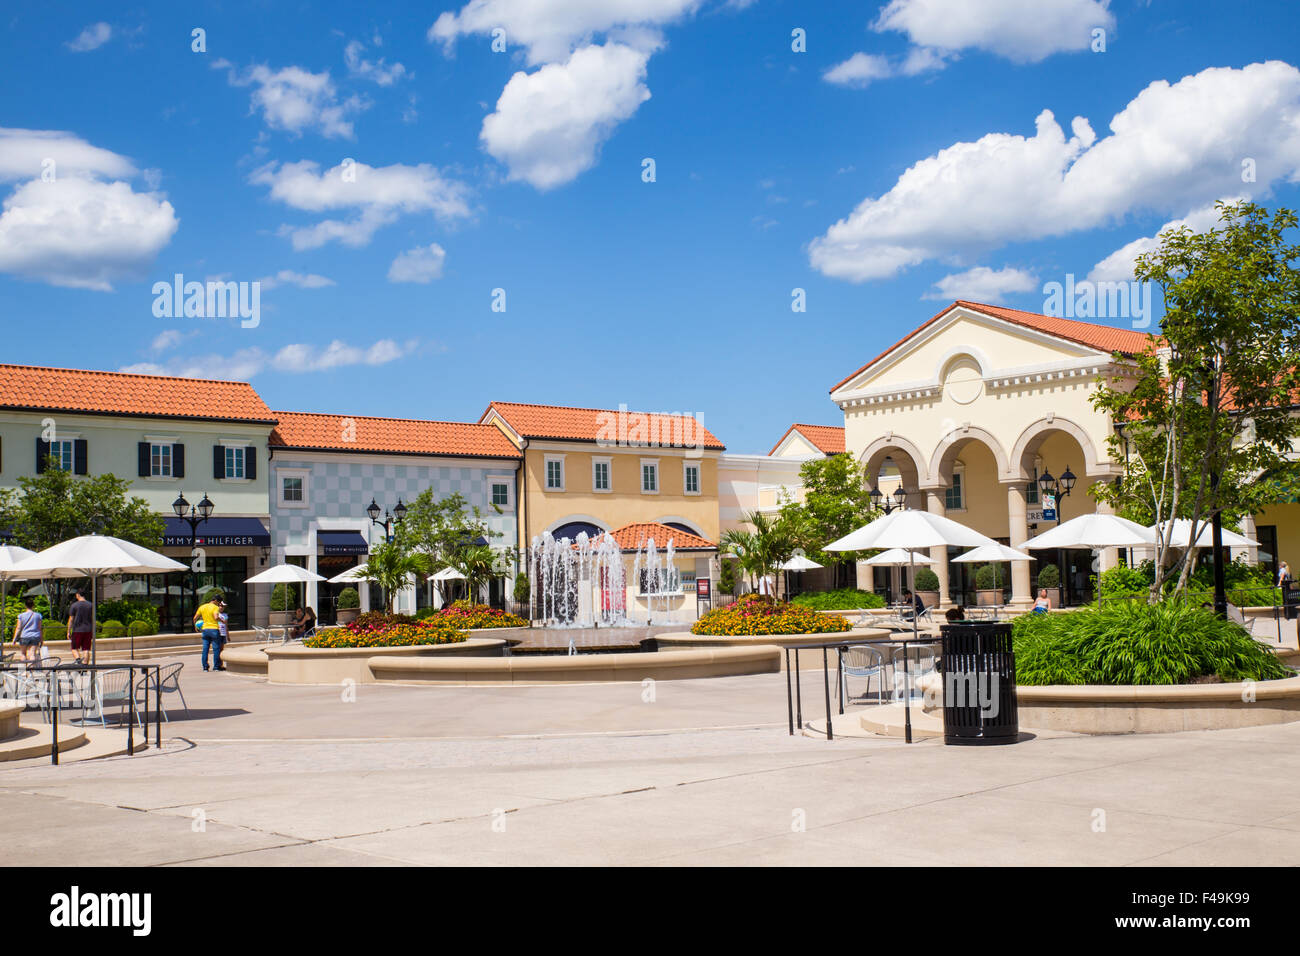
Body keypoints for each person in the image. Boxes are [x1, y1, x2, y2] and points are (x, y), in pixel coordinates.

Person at [193, 594, 224, 671]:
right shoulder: (215, 607)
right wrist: (222, 621)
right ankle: (216, 667)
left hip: (205, 630)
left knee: (205, 649)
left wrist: (196, 627)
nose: (219, 604)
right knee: (216, 649)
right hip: (214, 629)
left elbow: (194, 618)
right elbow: (216, 617)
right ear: (216, 601)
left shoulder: (202, 607)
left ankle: (205, 667)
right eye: (219, 602)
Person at [66, 589, 95, 664]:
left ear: (78, 595)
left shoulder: (74, 605)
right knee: (86, 649)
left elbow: (71, 619)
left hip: (77, 630)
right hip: (88, 630)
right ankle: (85, 667)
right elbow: (93, 618)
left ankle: (78, 661)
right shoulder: (90, 605)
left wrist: (68, 631)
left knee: (74, 648)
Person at [12, 597, 43, 664]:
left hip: (24, 636)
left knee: (23, 654)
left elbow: (18, 628)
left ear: (25, 605)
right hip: (35, 636)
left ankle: (23, 671)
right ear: (33, 605)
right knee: (32, 654)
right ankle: (31, 671)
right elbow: (40, 628)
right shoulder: (38, 616)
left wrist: (14, 638)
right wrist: (41, 639)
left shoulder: (21, 616)